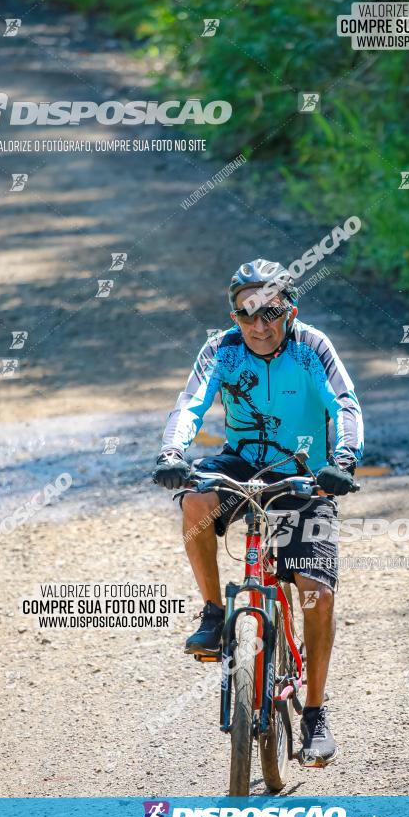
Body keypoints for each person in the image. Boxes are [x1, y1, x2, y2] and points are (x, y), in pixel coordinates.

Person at [152, 259, 364, 766]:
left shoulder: (311, 347)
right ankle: (213, 611)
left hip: (305, 472)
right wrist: (171, 455)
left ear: (290, 310)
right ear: (234, 314)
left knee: (316, 594)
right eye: (246, 313)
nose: (259, 325)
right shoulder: (221, 348)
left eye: (270, 311)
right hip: (242, 463)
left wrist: (343, 460)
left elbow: (346, 404)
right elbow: (190, 404)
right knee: (196, 499)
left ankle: (314, 713)